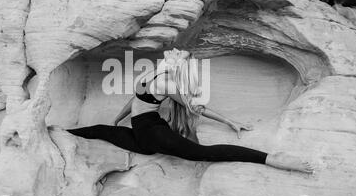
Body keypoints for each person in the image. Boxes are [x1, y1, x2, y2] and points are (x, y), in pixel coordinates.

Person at [66, 48, 314, 173]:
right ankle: (59, 132)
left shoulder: (166, 83)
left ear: (177, 66)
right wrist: (119, 118)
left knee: (202, 153)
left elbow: (196, 108)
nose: (172, 55)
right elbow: (134, 100)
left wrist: (229, 121)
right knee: (101, 129)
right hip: (143, 140)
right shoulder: (152, 74)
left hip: (153, 133)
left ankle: (271, 159)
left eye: (177, 56)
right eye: (174, 54)